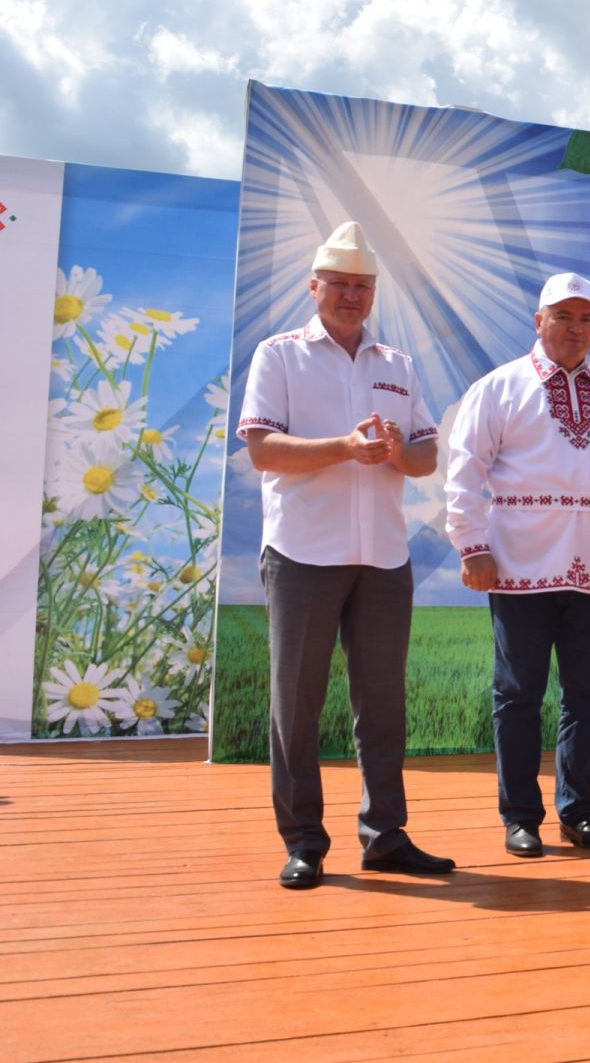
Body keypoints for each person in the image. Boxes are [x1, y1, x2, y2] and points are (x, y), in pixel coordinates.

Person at [238, 221, 452, 889]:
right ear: (314, 287)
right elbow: (263, 449)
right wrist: (341, 447)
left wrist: (394, 451)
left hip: (384, 556)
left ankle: (385, 834)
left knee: (383, 704)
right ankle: (304, 841)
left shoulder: (398, 366)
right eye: (340, 285)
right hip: (303, 552)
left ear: (374, 293)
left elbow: (426, 457)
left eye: (363, 287)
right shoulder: (279, 355)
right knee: (295, 704)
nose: (352, 297)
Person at [445, 272, 590, 859]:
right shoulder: (500, 387)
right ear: (539, 322)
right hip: (518, 565)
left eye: (586, 317)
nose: (576, 328)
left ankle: (578, 812)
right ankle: (520, 817)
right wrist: (472, 544)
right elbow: (464, 469)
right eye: (563, 316)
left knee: (588, 696)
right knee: (518, 694)